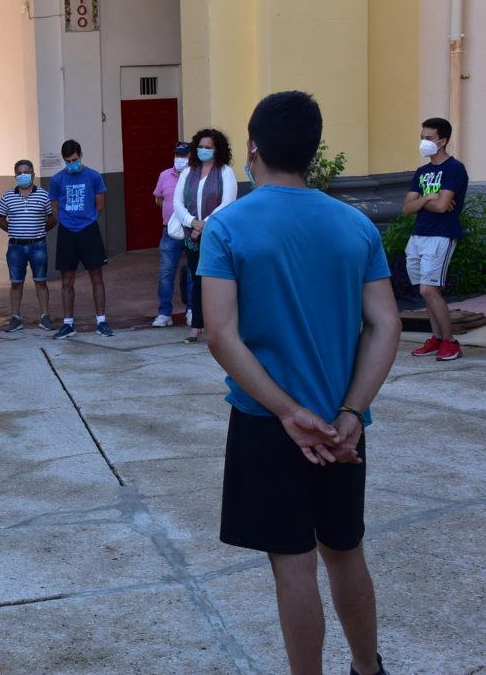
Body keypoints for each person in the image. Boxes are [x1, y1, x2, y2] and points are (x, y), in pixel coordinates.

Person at [201, 90, 400, 675]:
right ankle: (369, 669)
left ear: (253, 148)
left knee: (293, 565)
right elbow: (386, 323)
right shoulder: (354, 225)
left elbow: (220, 333)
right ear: (314, 153)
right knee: (346, 552)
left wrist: (288, 412)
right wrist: (350, 413)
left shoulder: (227, 226)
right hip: (342, 430)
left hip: (270, 425)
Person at [402, 117, 469, 362]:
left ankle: (450, 342)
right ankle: (437, 338)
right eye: (422, 137)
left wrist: (425, 200)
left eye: (428, 138)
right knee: (426, 292)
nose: (423, 142)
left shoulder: (454, 169)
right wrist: (429, 197)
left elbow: (443, 207)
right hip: (418, 236)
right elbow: (407, 208)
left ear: (442, 140)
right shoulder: (422, 172)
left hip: (441, 236)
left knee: (429, 289)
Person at [172, 128, 238, 342]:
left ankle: (220, 326)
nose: (203, 150)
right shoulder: (187, 172)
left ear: (217, 150)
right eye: (200, 147)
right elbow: (177, 202)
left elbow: (227, 203)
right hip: (192, 237)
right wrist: (192, 223)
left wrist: (204, 225)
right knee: (197, 280)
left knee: (217, 280)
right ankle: (197, 325)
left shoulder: (225, 172)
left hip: (215, 236)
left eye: (207, 147)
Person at [48, 139, 113, 339]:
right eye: (67, 161)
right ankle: (68, 324)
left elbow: (100, 205)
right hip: (67, 232)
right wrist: (66, 221)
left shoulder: (93, 176)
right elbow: (55, 206)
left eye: (74, 160)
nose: (71, 164)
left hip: (89, 230)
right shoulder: (57, 179)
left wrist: (86, 220)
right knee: (67, 280)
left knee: (97, 277)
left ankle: (101, 321)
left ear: (81, 155)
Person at [0, 159, 56, 332]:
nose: (22, 175)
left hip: (38, 246)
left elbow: (52, 217)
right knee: (16, 283)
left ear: (33, 174)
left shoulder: (43, 195)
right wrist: (13, 229)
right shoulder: (7, 196)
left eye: (26, 172)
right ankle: (15, 318)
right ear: (15, 175)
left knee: (41, 282)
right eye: (19, 173)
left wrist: (41, 230)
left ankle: (45, 316)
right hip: (15, 248)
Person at [152, 143, 192, 327]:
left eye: (183, 155)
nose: (179, 158)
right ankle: (164, 313)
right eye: (177, 155)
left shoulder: (196, 175)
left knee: (193, 271)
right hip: (170, 230)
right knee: (166, 272)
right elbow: (158, 199)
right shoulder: (164, 175)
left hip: (192, 231)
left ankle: (192, 310)